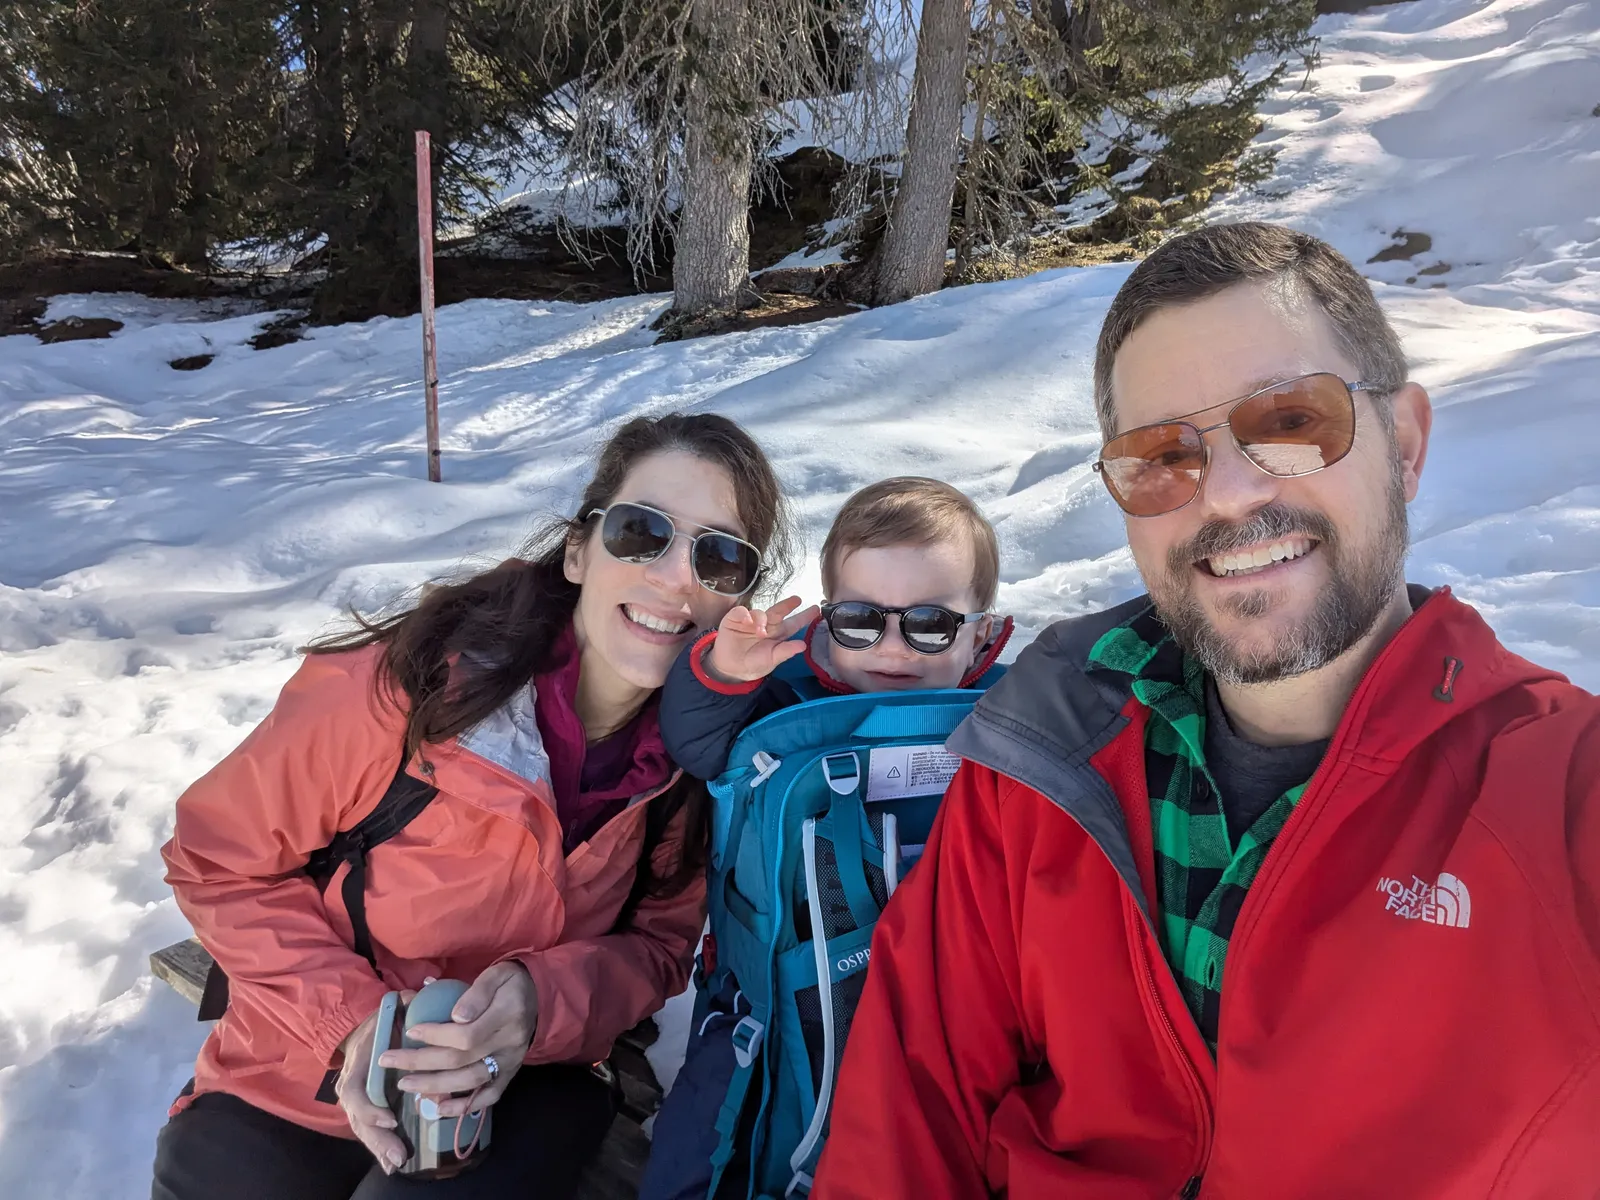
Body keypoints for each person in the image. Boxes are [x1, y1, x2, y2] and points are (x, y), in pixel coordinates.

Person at [812, 223, 1600, 1198]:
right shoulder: (1041, 752)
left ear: (1402, 444)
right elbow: (906, 1111)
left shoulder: (1559, 790)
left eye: (1291, 421)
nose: (1226, 495)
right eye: (1159, 456)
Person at [151, 412, 797, 1200]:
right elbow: (217, 861)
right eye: (641, 532)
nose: (675, 577)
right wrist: (355, 1026)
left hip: (532, 1083)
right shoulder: (400, 691)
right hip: (292, 1072)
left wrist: (538, 1003)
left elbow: (661, 948)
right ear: (577, 550)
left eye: (720, 556)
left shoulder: (701, 766)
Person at [639, 477, 1011, 1200]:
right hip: (776, 1009)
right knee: (701, 1150)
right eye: (861, 620)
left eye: (931, 623)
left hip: (954, 1019)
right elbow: (697, 742)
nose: (894, 647)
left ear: (984, 637)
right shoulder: (788, 697)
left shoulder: (1008, 715)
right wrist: (722, 673)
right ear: (825, 623)